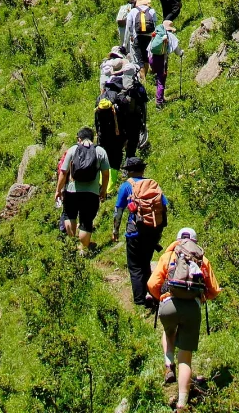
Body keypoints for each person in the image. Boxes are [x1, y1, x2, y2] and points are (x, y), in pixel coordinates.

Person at [147, 226, 221, 409]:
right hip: (192, 309)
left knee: (168, 331)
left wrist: (161, 297)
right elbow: (214, 290)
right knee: (186, 358)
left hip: (168, 304)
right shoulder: (202, 259)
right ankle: (182, 403)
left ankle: (168, 362)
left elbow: (152, 283)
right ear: (194, 242)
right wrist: (200, 296)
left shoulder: (168, 256)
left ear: (177, 240)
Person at [112, 155, 169, 307]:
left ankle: (139, 301)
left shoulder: (126, 186)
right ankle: (152, 294)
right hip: (153, 231)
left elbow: (118, 210)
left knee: (135, 266)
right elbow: (164, 207)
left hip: (135, 231)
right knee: (145, 263)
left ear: (129, 172)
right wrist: (159, 231)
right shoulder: (153, 185)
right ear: (143, 169)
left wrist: (115, 230)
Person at [54, 127, 110, 252]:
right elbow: (106, 174)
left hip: (72, 191)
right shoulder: (100, 151)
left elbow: (63, 172)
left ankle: (72, 242)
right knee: (86, 220)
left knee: (70, 215)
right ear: (93, 138)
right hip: (91, 192)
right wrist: (103, 190)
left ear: (79, 138)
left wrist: (58, 190)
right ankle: (83, 249)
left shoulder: (73, 149)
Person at [115, 67, 148, 158]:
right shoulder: (138, 87)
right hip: (135, 120)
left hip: (121, 121)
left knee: (120, 145)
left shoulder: (118, 85)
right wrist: (144, 122)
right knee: (132, 146)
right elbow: (144, 106)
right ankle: (129, 165)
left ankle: (117, 164)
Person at [147, 20, 180, 109]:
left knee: (158, 77)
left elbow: (149, 48)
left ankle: (160, 96)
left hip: (152, 59)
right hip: (162, 60)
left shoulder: (156, 34)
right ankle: (159, 102)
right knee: (161, 80)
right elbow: (177, 51)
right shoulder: (170, 36)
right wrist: (181, 53)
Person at [94, 93, 124, 173]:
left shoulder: (98, 112)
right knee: (113, 156)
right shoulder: (113, 112)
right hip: (113, 137)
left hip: (103, 137)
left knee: (104, 155)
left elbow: (97, 124)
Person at [129, 0, 158, 71]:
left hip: (138, 37)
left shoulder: (133, 11)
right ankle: (146, 75)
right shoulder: (151, 10)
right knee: (146, 57)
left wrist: (131, 35)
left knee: (139, 59)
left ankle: (143, 80)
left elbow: (129, 25)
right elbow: (155, 24)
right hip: (149, 37)